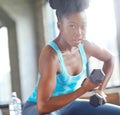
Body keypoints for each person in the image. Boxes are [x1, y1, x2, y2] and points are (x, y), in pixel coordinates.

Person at [22, 0, 120, 115]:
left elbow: (110, 59)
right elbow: (43, 106)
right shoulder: (51, 55)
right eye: (72, 26)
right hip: (36, 108)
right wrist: (84, 88)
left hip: (69, 104)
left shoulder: (86, 46)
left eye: (83, 26)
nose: (79, 33)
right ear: (60, 26)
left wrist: (100, 90)